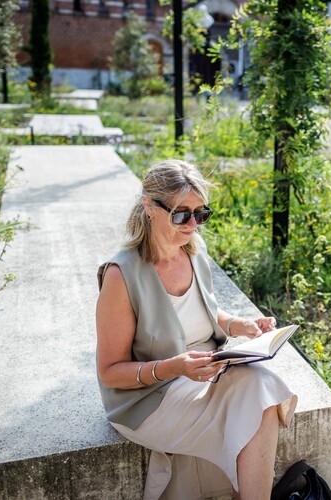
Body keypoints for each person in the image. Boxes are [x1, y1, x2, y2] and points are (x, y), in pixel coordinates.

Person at [95, 159, 297, 500]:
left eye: (201, 213)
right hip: (147, 399)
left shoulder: (194, 251)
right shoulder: (121, 275)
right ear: (149, 206)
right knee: (256, 400)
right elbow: (110, 373)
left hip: (201, 371)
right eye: (181, 214)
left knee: (262, 384)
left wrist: (239, 324)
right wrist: (175, 367)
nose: (192, 224)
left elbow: (204, 307)